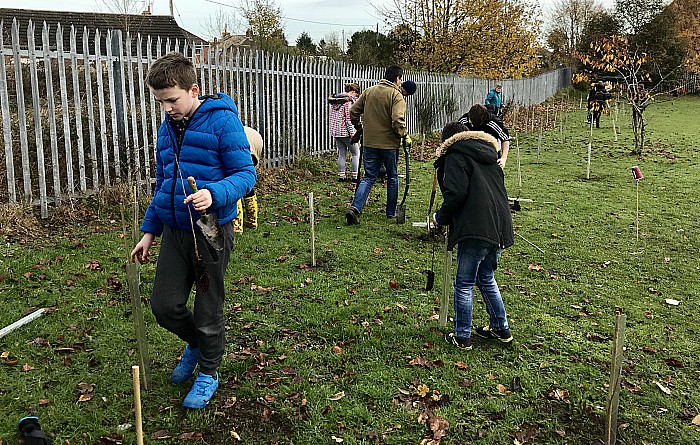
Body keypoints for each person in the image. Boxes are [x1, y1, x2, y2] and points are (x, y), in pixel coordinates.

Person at [130, 52, 256, 409]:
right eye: (160, 102)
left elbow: (247, 176)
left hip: (210, 230)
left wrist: (213, 194)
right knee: (164, 305)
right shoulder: (166, 129)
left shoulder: (222, 122)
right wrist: (149, 232)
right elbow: (164, 184)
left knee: (208, 305)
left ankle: (209, 371)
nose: (167, 108)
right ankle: (198, 345)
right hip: (174, 231)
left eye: (172, 100)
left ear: (193, 89)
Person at [431, 121, 514, 350]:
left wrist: (440, 217)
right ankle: (501, 327)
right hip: (499, 224)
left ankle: (462, 335)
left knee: (464, 282)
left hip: (477, 226)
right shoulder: (488, 154)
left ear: (447, 142)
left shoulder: (457, 156)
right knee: (486, 276)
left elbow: (456, 194)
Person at [345, 65, 408, 224]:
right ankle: (391, 212)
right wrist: (404, 135)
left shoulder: (369, 91)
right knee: (393, 178)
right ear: (397, 79)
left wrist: (360, 128)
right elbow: (397, 119)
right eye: (400, 79)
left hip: (370, 143)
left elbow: (353, 112)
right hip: (389, 145)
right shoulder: (396, 95)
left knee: (369, 177)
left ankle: (355, 208)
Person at [458, 104, 511, 169]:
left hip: (491, 154)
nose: (472, 126)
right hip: (470, 155)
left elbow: (505, 139)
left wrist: (503, 159)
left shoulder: (493, 122)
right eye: (471, 122)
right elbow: (456, 137)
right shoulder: (463, 121)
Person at [328, 83, 361, 183]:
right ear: (353, 92)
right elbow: (349, 119)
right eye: (357, 94)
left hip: (336, 132)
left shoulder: (335, 101)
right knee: (356, 153)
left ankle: (341, 176)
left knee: (342, 153)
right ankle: (355, 176)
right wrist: (353, 134)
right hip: (346, 132)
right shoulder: (348, 102)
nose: (356, 97)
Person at [233, 126, 263, 234]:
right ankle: (252, 221)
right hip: (254, 144)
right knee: (247, 186)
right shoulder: (236, 128)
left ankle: (236, 227)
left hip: (243, 149)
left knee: (235, 187)